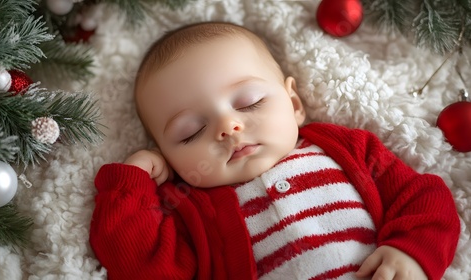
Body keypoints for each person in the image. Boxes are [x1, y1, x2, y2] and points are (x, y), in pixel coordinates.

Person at [89, 22, 460, 280]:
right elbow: (139, 264)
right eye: (191, 132)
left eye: (249, 102)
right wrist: (133, 179)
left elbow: (421, 195)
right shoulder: (191, 209)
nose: (227, 127)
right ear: (169, 159)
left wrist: (412, 252)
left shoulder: (345, 149)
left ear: (294, 102)